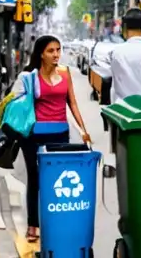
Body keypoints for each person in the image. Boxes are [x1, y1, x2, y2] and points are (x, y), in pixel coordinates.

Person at [21, 36, 92, 243]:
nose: (56, 55)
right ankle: (33, 225)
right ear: (41, 53)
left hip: (60, 134)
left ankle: (55, 223)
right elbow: (22, 105)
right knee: (35, 180)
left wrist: (83, 129)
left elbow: (73, 103)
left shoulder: (65, 73)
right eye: (51, 51)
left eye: (58, 50)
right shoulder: (30, 76)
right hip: (34, 135)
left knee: (56, 180)